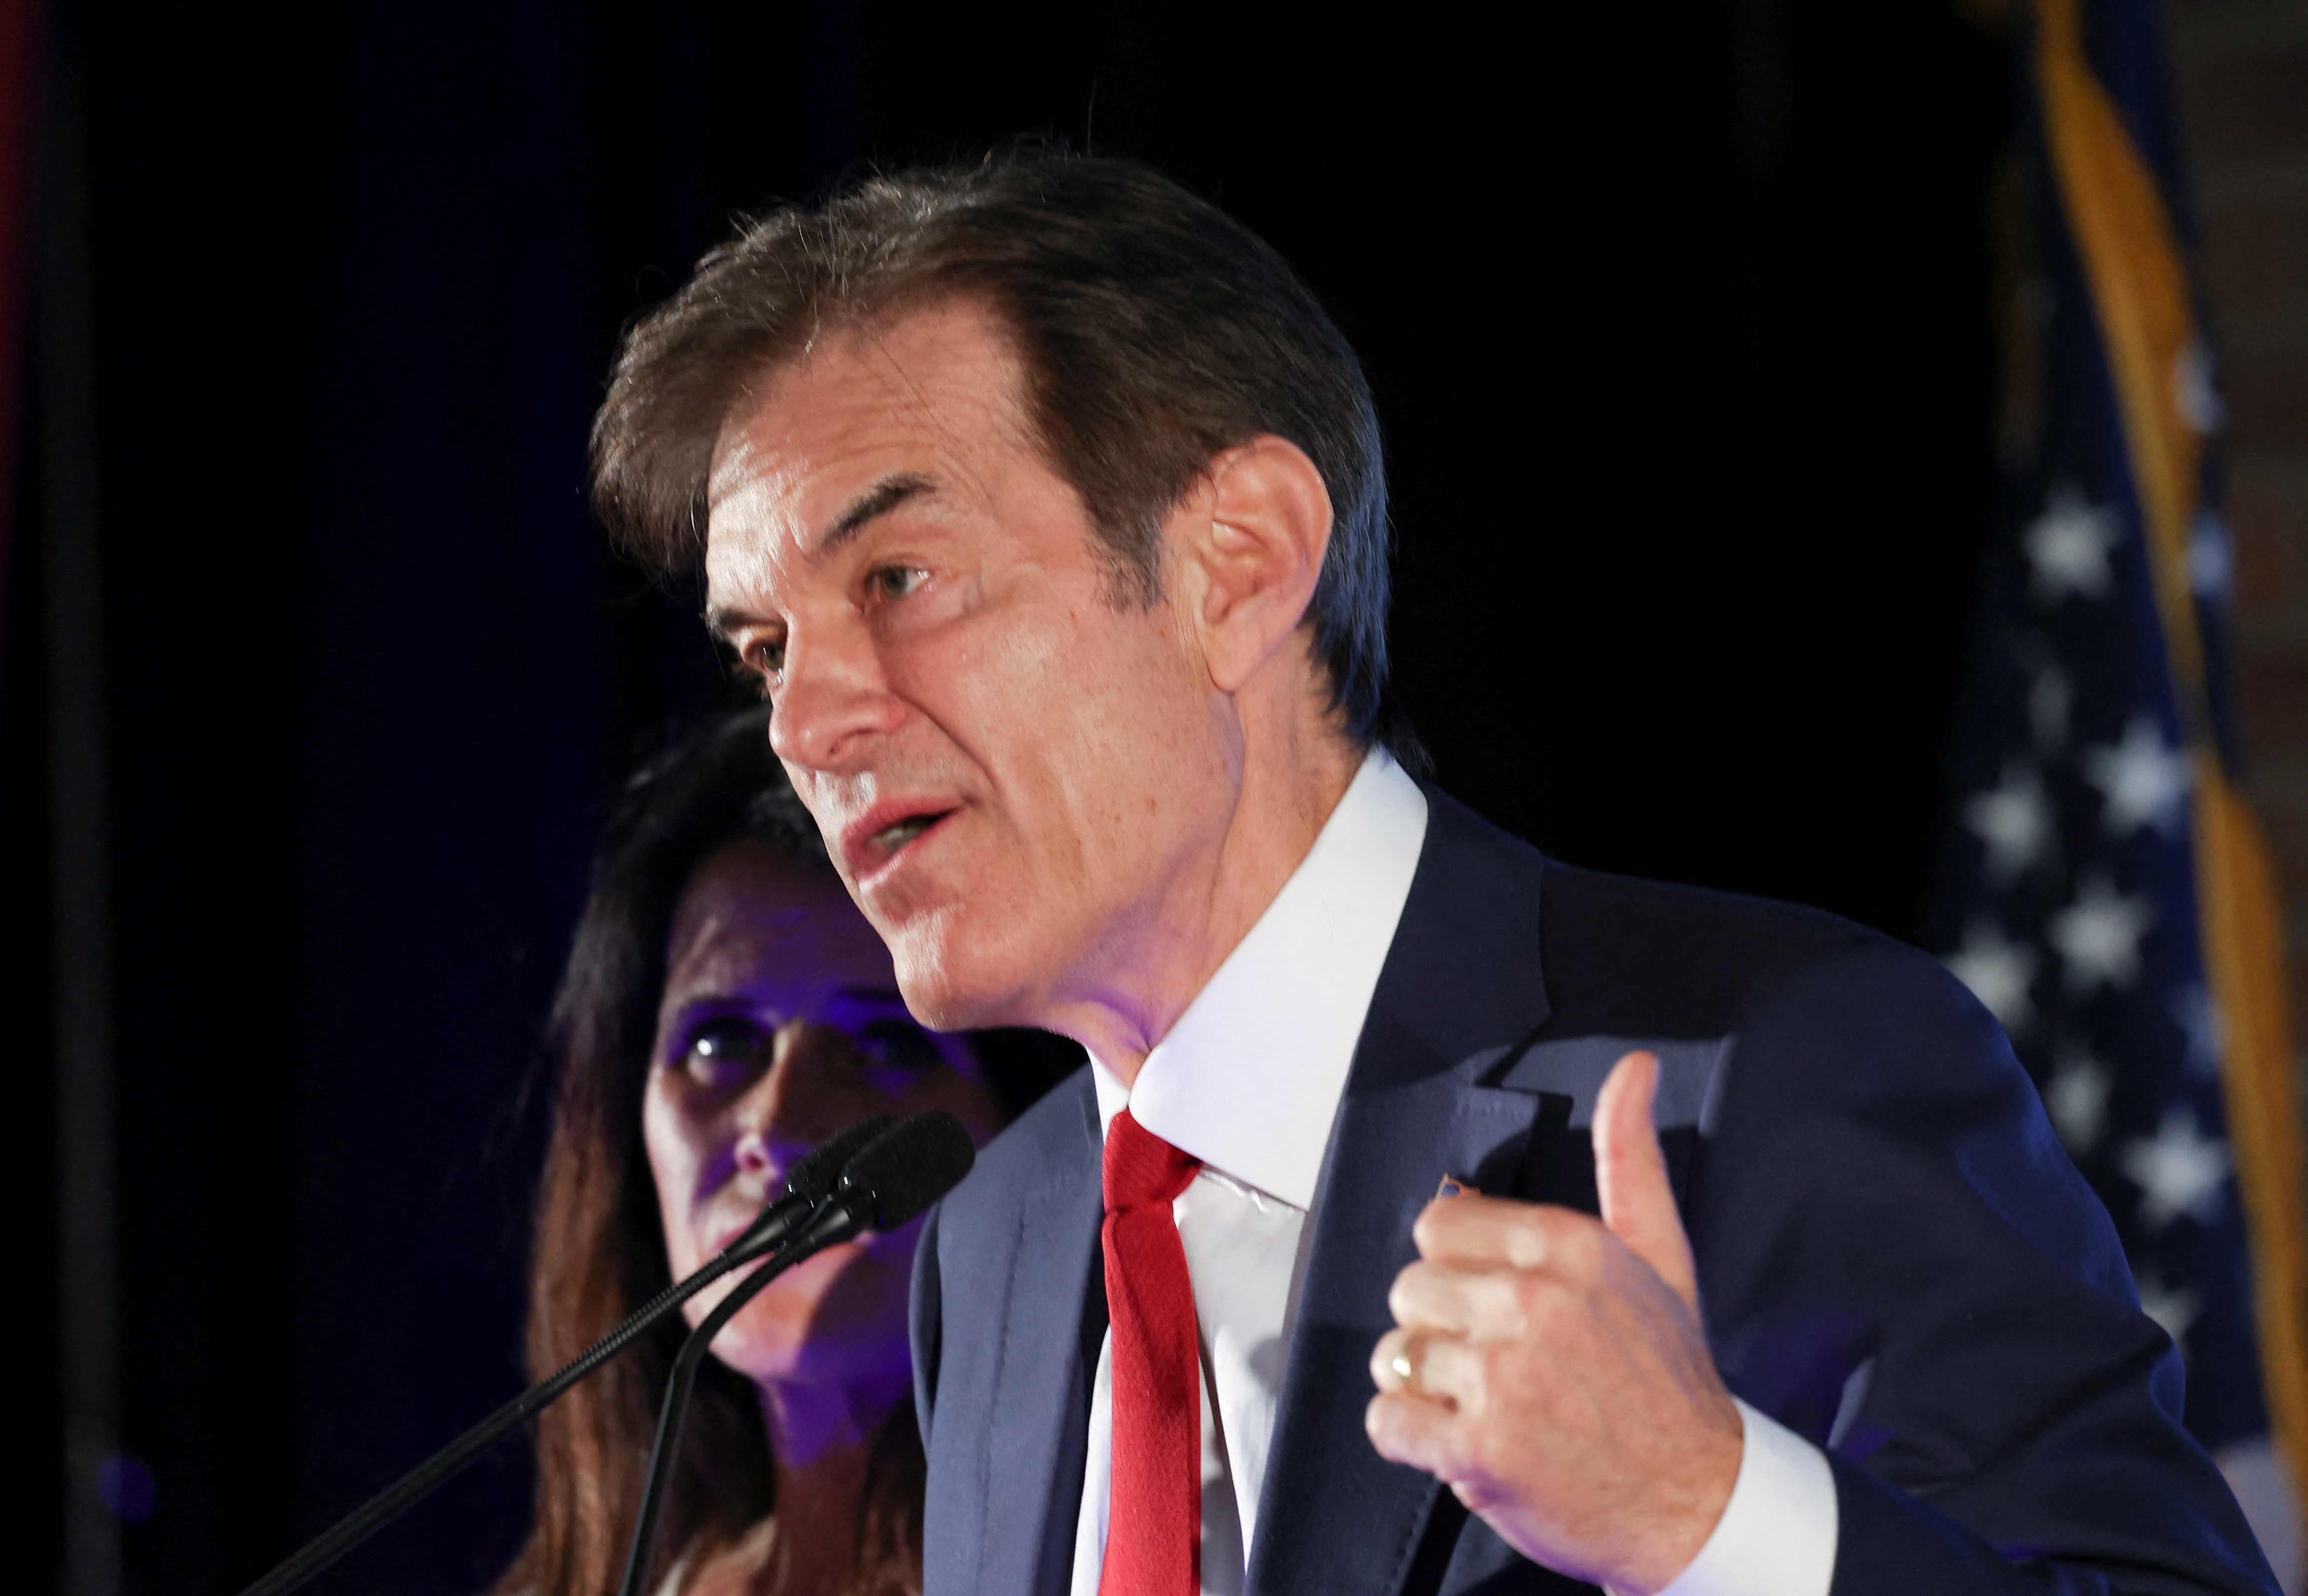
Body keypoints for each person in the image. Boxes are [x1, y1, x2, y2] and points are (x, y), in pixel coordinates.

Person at [584, 150, 2280, 1596]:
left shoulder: (1766, 1071)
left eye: (895, 577)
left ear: (1239, 564)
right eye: (764, 649)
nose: (803, 723)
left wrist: (1707, 1518)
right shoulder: (992, 1244)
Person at [494, 708, 1078, 1596]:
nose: (775, 1127)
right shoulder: (610, 1575)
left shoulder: (1112, 1553)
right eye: (718, 1043)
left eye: (886, 1046)